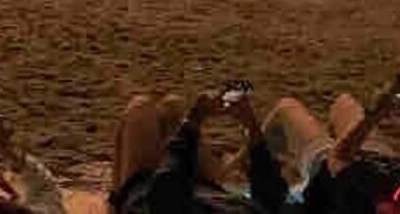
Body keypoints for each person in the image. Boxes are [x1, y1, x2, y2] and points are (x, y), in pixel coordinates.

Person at [110, 89, 289, 214]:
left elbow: (165, 193)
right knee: (170, 109)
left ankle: (114, 202)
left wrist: (194, 121)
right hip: (196, 189)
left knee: (143, 109)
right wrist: (251, 127)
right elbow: (272, 198)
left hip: (149, 193)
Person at [261, 74, 400, 214]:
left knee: (286, 108)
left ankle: (252, 159)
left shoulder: (363, 195)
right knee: (344, 102)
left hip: (332, 166)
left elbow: (340, 154)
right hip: (377, 158)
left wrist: (375, 112)